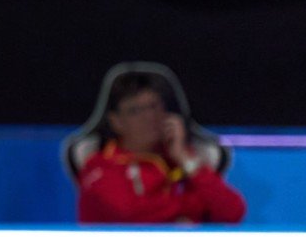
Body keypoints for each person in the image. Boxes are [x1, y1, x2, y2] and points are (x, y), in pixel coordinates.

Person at [78, 71, 246, 224]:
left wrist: (185, 159)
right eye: (135, 111)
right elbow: (131, 216)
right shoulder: (100, 166)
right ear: (116, 121)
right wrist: (189, 209)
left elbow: (233, 211)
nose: (149, 116)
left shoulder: (180, 160)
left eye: (154, 106)